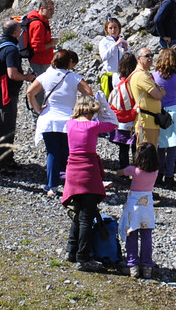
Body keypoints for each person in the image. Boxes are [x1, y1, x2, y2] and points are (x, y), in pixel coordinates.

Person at [28, 49, 100, 196]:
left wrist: (38, 110)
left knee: (52, 153)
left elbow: (30, 92)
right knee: (69, 153)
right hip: (69, 120)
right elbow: (89, 92)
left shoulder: (45, 75)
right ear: (69, 62)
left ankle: (51, 186)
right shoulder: (73, 77)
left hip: (49, 118)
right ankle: (71, 185)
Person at [62, 97, 117, 271]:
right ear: (91, 111)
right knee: (87, 216)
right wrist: (103, 109)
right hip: (88, 172)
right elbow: (114, 123)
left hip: (72, 172)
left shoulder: (70, 124)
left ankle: (71, 251)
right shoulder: (93, 126)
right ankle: (83, 258)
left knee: (78, 214)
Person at [0, 19, 34, 172]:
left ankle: (7, 159)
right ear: (15, 33)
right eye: (20, 30)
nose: (22, 33)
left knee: (5, 126)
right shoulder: (12, 49)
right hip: (6, 94)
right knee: (6, 128)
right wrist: (27, 77)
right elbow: (12, 74)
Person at [118, 142, 160, 279]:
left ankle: (133, 264)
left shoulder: (133, 170)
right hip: (147, 205)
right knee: (147, 235)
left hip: (133, 204)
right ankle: (147, 264)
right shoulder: (155, 171)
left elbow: (121, 172)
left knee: (132, 234)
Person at [151, 47, 176, 186]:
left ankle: (159, 174)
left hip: (160, 110)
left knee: (160, 144)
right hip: (175, 110)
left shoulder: (154, 76)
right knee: (172, 145)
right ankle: (169, 176)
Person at [108, 52, 139, 170]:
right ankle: (136, 170)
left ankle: (123, 171)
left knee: (123, 147)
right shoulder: (136, 77)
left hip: (121, 117)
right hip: (134, 115)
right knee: (136, 146)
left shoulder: (116, 76)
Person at [130, 48, 165, 145]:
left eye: (151, 55)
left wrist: (159, 91)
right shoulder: (141, 76)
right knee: (146, 156)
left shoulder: (147, 74)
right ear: (138, 58)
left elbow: (160, 93)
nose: (150, 58)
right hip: (145, 122)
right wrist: (159, 91)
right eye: (147, 56)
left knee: (150, 155)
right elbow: (158, 95)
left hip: (151, 122)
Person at [24, 0, 58, 79]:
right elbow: (37, 47)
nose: (52, 12)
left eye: (53, 10)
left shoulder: (43, 22)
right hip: (39, 63)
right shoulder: (38, 24)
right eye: (50, 9)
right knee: (40, 89)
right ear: (42, 9)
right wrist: (51, 44)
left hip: (43, 61)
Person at [97, 17, 129, 85]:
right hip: (110, 75)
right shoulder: (104, 42)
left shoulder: (124, 41)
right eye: (110, 28)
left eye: (115, 27)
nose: (113, 30)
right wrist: (115, 45)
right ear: (107, 29)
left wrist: (126, 49)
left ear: (119, 28)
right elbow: (104, 57)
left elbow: (129, 58)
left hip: (123, 75)